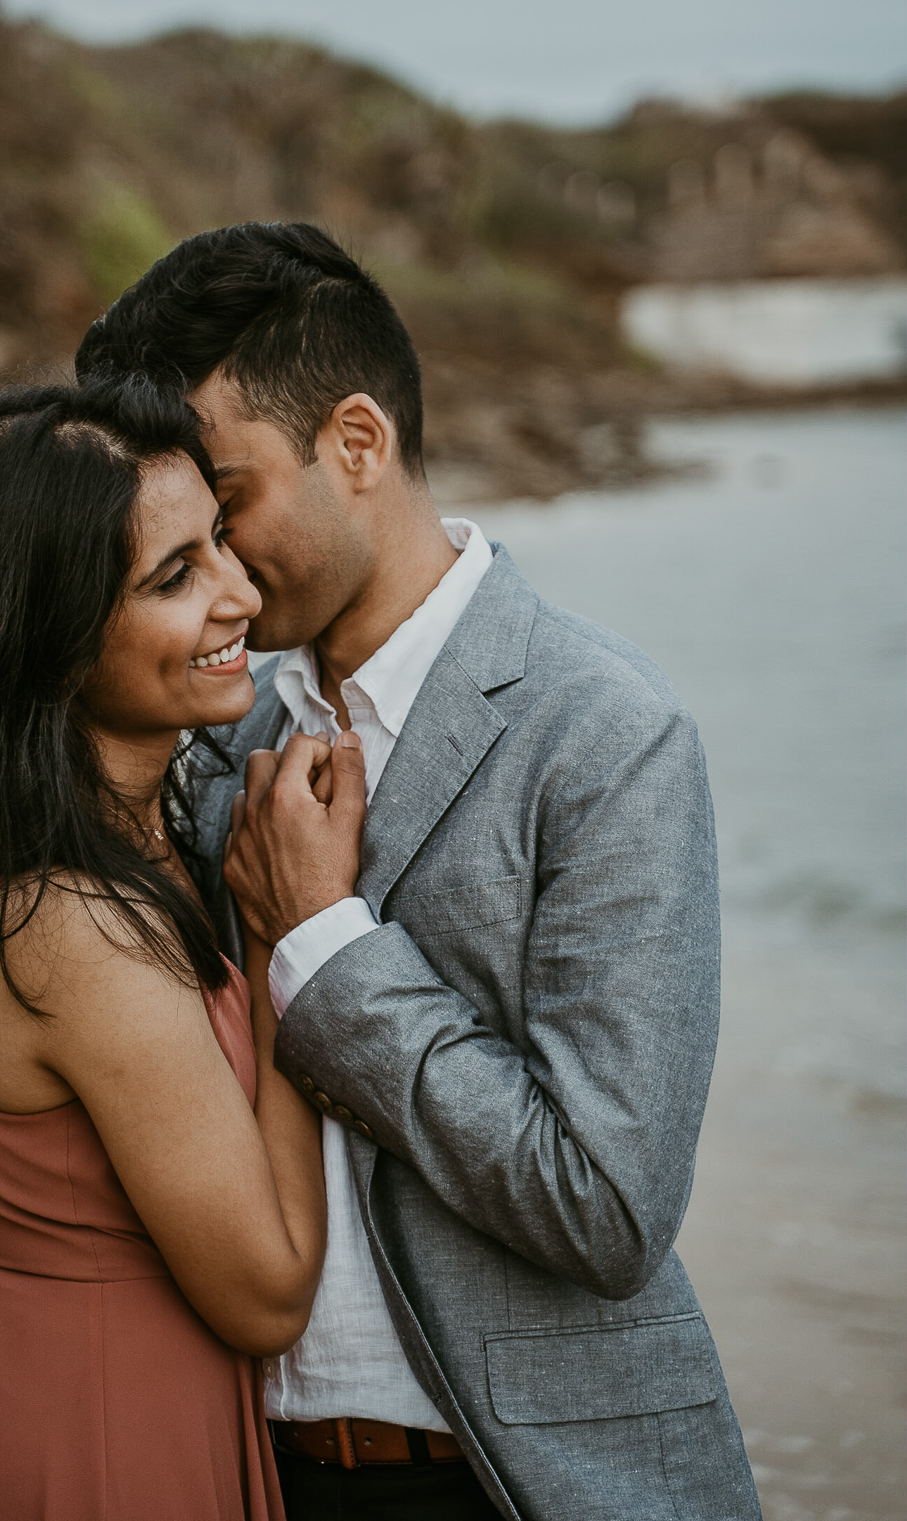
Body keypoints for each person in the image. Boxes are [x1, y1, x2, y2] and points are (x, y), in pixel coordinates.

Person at [75, 222, 764, 1521]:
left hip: (529, 1489)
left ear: (357, 443)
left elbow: (606, 1207)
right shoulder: (229, 735)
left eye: (228, 508)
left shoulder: (603, 732)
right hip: (251, 1477)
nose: (214, 569)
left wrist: (327, 945)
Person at [0, 373, 336, 1521]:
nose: (238, 594)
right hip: (94, 1438)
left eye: (220, 541)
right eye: (176, 576)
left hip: (52, 1375)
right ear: (50, 637)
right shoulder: (73, 928)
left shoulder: (96, 846)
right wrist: (293, 939)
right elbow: (269, 1295)